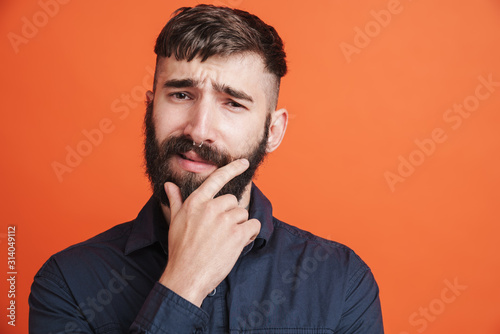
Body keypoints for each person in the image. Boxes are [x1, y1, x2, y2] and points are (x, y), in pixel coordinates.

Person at [29, 4, 384, 333]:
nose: (198, 130)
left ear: (272, 131)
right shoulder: (67, 283)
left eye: (232, 103)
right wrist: (183, 283)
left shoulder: (341, 282)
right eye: (181, 95)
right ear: (149, 110)